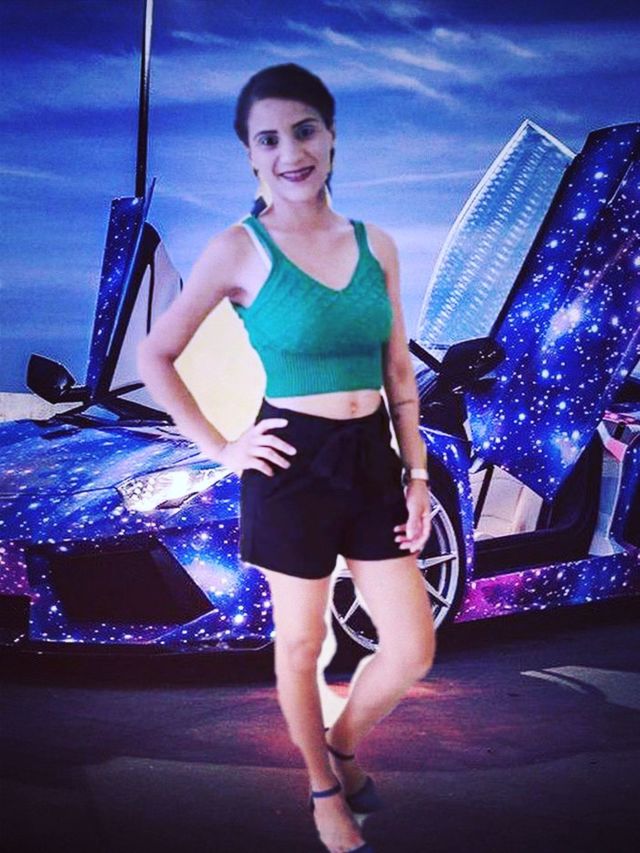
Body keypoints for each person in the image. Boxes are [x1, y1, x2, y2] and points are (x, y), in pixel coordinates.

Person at [137, 63, 435, 853]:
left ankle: (343, 744)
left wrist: (416, 474)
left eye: (305, 131)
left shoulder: (376, 244)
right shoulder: (237, 249)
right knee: (303, 645)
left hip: (372, 458)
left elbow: (399, 371)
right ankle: (323, 790)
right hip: (289, 463)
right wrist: (222, 446)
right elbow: (156, 354)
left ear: (331, 136)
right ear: (250, 155)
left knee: (412, 647)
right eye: (267, 139)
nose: (290, 152)